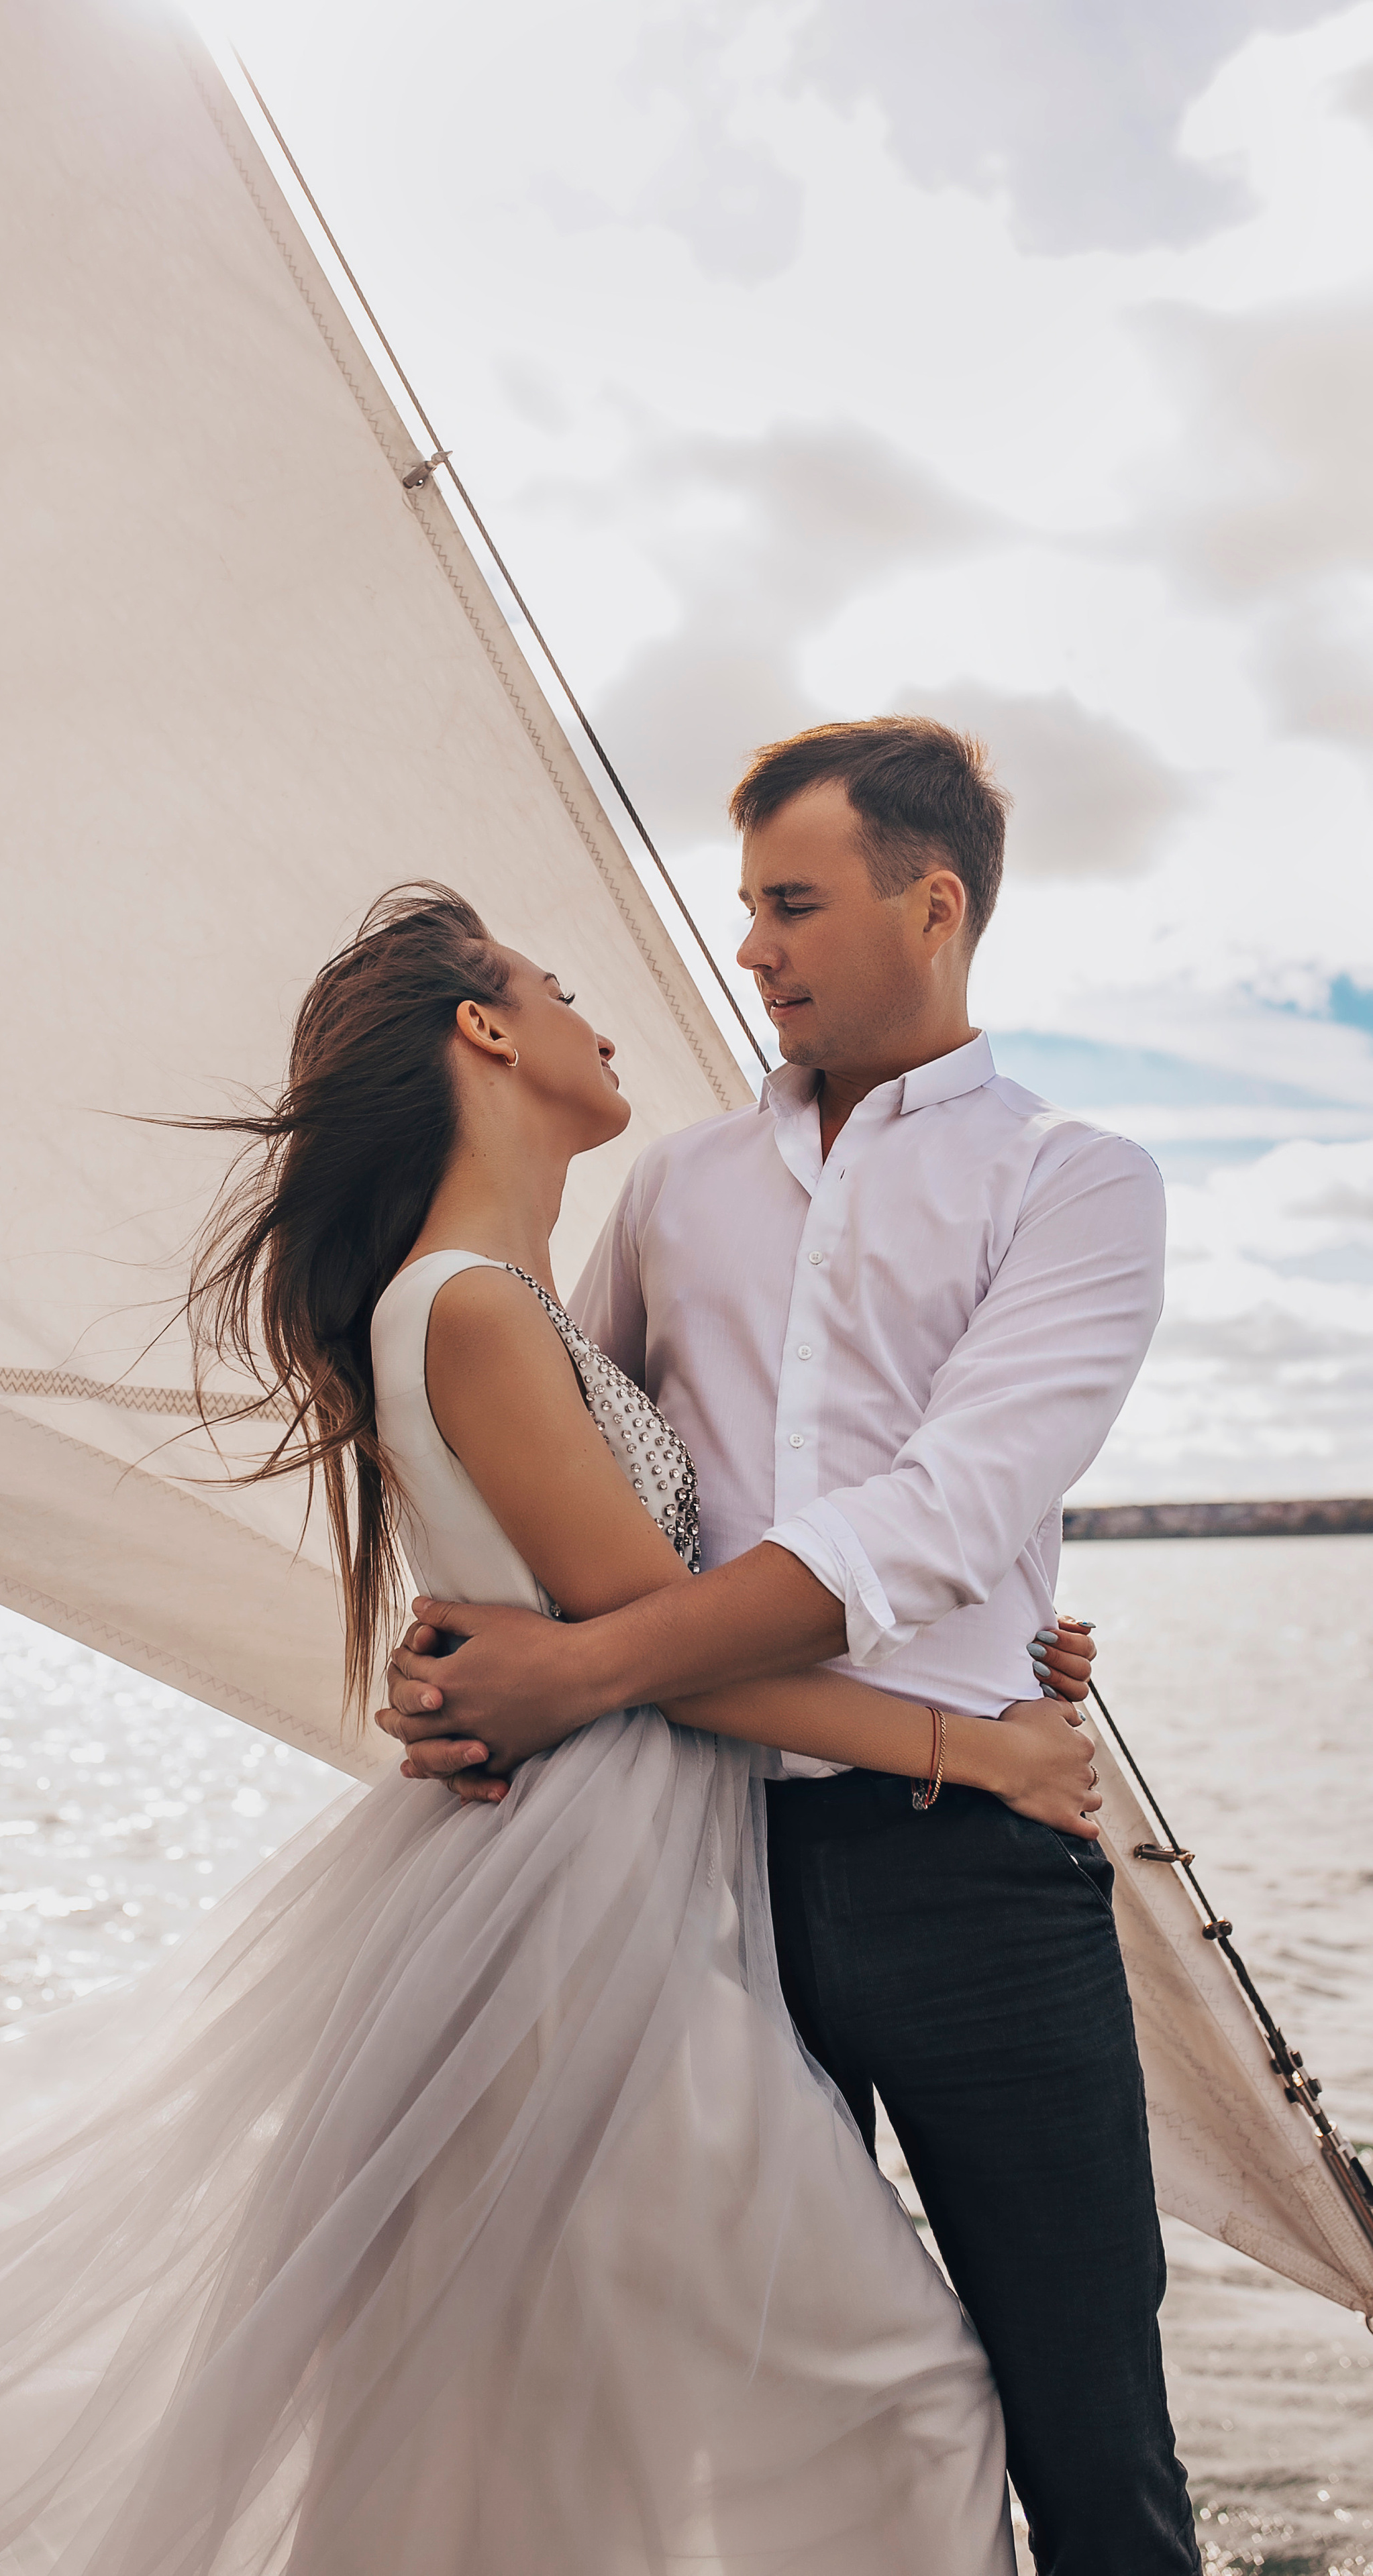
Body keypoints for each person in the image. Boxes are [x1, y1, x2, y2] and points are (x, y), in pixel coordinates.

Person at [0, 883, 1102, 2574]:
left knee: (555, 2438)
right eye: (558, 988)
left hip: (611, 1912)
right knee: (902, 2400)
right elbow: (668, 1653)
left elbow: (674, 1606)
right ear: (485, 1029)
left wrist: (985, 1650)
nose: (600, 1021)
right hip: (583, 1939)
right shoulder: (470, 1307)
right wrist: (971, 1749)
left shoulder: (501, 1300)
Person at [380, 719, 1199, 2576]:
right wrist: (462, 1663)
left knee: (1090, 2434)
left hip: (978, 1876)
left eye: (792, 905)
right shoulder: (674, 1189)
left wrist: (582, 1671)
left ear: (934, 905)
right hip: (690, 1878)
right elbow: (572, 1471)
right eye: (746, 906)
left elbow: (946, 1513)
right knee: (739, 2438)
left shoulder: (1077, 1181)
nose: (748, 948)